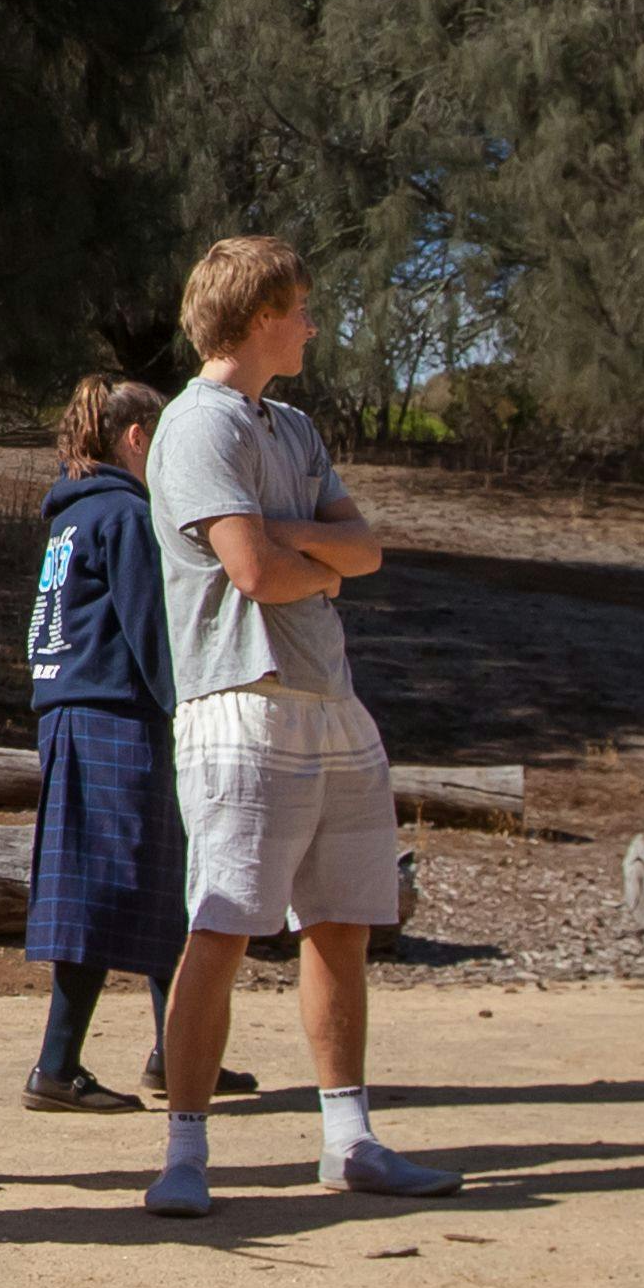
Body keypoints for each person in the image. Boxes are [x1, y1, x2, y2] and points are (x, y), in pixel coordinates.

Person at [143, 236, 461, 1217]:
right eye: (300, 307)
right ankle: (186, 1152)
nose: (314, 323)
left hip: (332, 700)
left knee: (344, 922)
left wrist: (304, 548)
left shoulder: (292, 426)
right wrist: (308, 558)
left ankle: (349, 1136)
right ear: (256, 315)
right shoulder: (194, 427)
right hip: (240, 701)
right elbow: (256, 573)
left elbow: (365, 549)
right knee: (225, 921)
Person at [20, 375, 196, 1113]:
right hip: (115, 717)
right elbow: (149, 629)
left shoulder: (71, 516)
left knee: (158, 879)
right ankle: (57, 1067)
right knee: (115, 887)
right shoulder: (124, 516)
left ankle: (181, 1050)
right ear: (135, 439)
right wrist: (186, 710)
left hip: (68, 713)